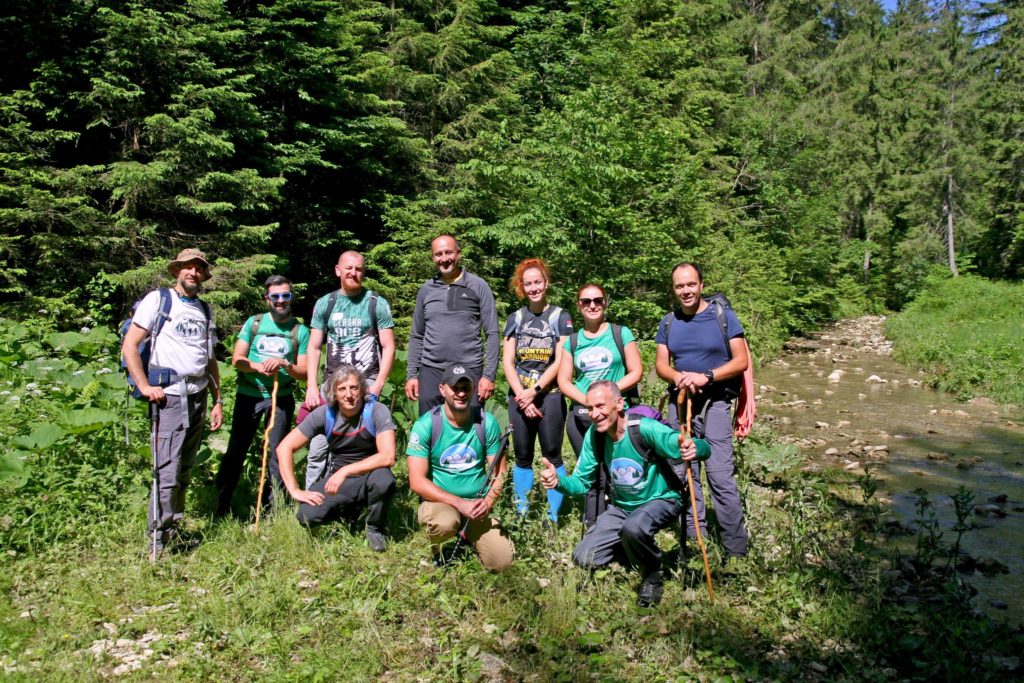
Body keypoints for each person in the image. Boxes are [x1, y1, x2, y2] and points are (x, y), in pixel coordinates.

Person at [540, 380, 709, 606]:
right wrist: (558, 482)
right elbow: (581, 482)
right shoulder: (595, 435)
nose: (594, 414)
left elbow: (689, 444)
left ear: (619, 404)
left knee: (634, 527)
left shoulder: (643, 428)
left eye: (600, 406)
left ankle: (653, 574)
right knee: (583, 558)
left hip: (662, 499)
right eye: (590, 408)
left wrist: (696, 447)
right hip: (622, 507)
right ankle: (631, 547)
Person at [122, 248, 223, 559]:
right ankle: (158, 541)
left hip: (198, 395)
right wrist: (144, 385)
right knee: (166, 470)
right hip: (169, 397)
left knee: (185, 468)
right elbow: (130, 345)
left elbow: (209, 359)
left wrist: (218, 399)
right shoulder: (159, 300)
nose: (193, 273)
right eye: (187, 267)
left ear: (204, 275)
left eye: (198, 269)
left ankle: (174, 530)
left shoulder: (204, 309)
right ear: (177, 270)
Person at [654, 261, 750, 565]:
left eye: (691, 284)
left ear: (701, 285)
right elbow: (661, 365)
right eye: (680, 286)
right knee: (684, 471)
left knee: (720, 474)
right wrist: (677, 377)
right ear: (674, 289)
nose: (686, 291)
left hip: (716, 403)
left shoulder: (723, 317)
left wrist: (706, 376)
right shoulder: (668, 322)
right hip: (681, 403)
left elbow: (741, 361)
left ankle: (736, 550)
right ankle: (697, 537)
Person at [215, 275, 309, 518]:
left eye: (285, 296)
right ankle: (221, 504)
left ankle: (273, 509)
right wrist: (257, 366)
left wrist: (285, 364)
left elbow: (304, 372)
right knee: (237, 449)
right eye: (275, 296)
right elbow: (237, 360)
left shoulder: (300, 331)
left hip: (281, 397)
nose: (280, 301)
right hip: (250, 395)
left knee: (278, 452)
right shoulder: (254, 323)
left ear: (291, 298)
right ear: (267, 298)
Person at [277, 364, 397, 552]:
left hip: (371, 474)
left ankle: (375, 528)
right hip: (339, 481)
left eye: (354, 387)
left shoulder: (376, 410)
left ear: (362, 389)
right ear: (333, 393)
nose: (349, 394)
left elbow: (388, 456)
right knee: (306, 516)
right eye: (342, 389)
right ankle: (347, 513)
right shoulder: (325, 414)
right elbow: (284, 447)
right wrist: (294, 490)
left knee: (385, 480)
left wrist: (345, 471)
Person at [407, 365, 513, 572]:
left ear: (473, 389)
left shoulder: (486, 423)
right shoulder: (426, 424)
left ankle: (467, 535)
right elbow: (416, 481)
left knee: (502, 562)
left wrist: (488, 502)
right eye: (455, 388)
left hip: (477, 504)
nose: (461, 393)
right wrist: (459, 503)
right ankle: (439, 548)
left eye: (466, 388)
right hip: (441, 502)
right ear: (442, 389)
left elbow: (501, 472)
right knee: (445, 523)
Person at [303, 250, 396, 487]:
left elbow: (388, 346)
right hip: (333, 384)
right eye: (349, 268)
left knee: (364, 443)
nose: (354, 273)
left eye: (359, 269)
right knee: (318, 447)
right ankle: (312, 496)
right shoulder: (326, 303)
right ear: (338, 271)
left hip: (366, 383)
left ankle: (363, 492)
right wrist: (311, 386)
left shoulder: (376, 303)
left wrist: (378, 384)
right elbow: (314, 346)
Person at [556, 283, 643, 527]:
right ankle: (593, 525)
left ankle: (625, 523)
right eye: (586, 301)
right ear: (579, 306)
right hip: (582, 416)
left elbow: (636, 371)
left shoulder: (620, 333)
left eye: (597, 300)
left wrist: (607, 397)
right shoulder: (572, 342)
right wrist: (589, 401)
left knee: (617, 472)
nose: (592, 305)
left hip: (615, 416)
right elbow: (564, 381)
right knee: (592, 476)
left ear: (605, 303)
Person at [501, 258, 572, 521]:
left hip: (549, 396)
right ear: (522, 287)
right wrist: (523, 395)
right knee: (522, 456)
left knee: (552, 455)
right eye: (528, 284)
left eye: (537, 282)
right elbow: (507, 361)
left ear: (546, 283)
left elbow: (561, 358)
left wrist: (536, 391)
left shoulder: (560, 317)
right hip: (519, 396)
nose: (534, 288)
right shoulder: (516, 318)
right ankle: (521, 517)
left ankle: (553, 517)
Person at [404, 235, 500, 416]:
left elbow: (492, 333)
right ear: (433, 257)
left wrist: (488, 375)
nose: (444, 258)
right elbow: (417, 335)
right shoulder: (426, 290)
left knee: (470, 427)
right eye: (438, 254)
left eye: (448, 252)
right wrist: (412, 375)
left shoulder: (478, 286)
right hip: (431, 370)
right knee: (431, 425)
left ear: (458, 254)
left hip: (469, 369)